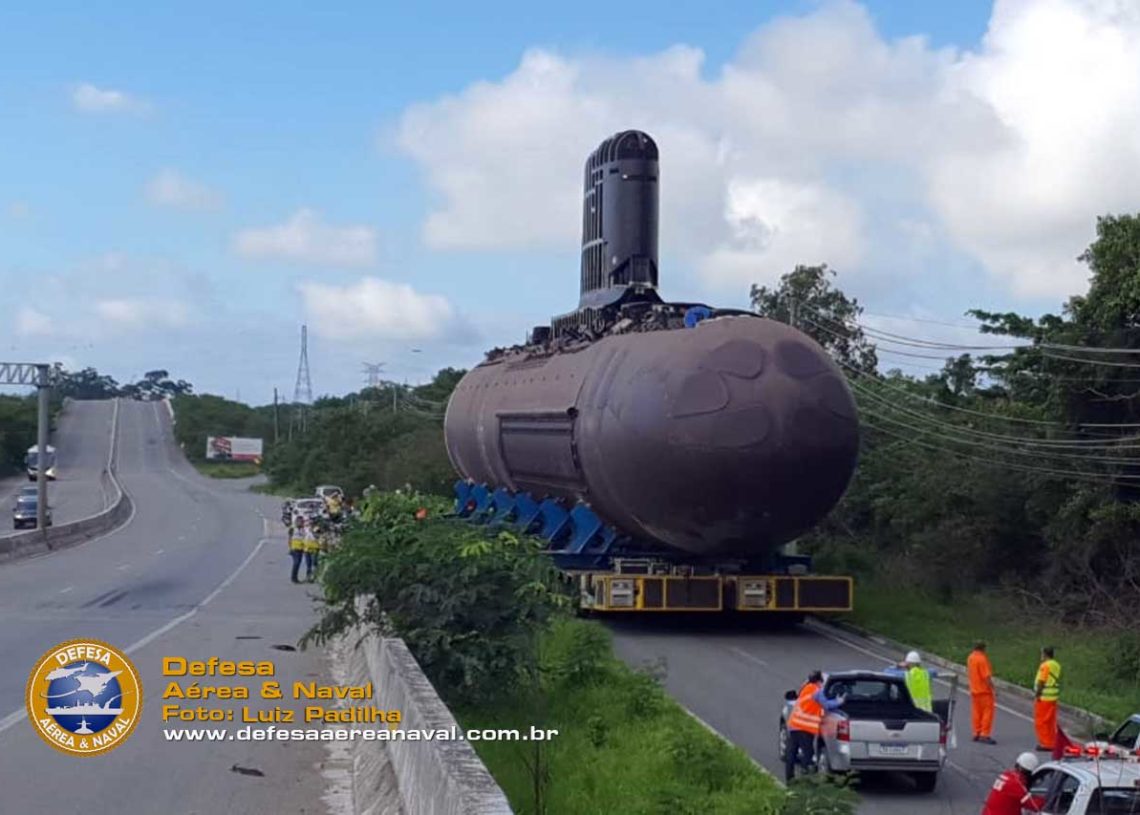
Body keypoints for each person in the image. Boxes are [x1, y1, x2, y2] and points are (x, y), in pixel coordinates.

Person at [785, 670, 846, 783]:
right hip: (805, 728)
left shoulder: (806, 688)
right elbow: (827, 705)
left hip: (794, 725)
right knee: (808, 754)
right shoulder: (817, 691)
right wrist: (839, 701)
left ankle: (790, 779)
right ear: (819, 681)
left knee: (791, 754)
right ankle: (805, 779)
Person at [1033, 646, 1061, 751]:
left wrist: (1037, 694)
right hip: (1053, 697)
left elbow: (1042, 681)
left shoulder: (1045, 665)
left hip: (1044, 697)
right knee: (1050, 722)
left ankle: (1045, 744)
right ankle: (1052, 742)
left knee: (1041, 722)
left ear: (1045, 654)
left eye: (1041, 653)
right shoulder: (1056, 665)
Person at [968, 641, 997, 744]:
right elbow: (986, 677)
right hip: (984, 691)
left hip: (974, 690)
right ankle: (984, 734)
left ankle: (976, 732)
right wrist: (993, 688)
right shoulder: (982, 659)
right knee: (987, 714)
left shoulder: (971, 657)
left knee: (976, 713)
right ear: (983, 649)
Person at [289, 515, 307, 584]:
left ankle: (295, 577)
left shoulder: (303, 529)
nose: (301, 523)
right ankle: (293, 578)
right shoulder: (293, 529)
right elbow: (290, 539)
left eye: (302, 522)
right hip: (294, 548)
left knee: (298, 563)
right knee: (296, 563)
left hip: (301, 548)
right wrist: (290, 548)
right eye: (299, 521)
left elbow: (304, 538)